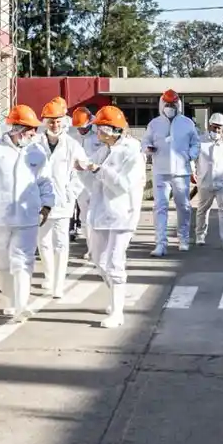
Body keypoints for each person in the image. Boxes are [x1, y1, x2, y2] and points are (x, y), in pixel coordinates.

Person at [0, 104, 54, 321]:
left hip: (27, 217)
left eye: (35, 129)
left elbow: (45, 181)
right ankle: (10, 300)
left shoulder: (37, 151)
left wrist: (46, 205)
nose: (34, 133)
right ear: (16, 128)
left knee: (23, 260)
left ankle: (22, 304)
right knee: (2, 261)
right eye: (29, 129)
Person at [75, 106, 146, 328]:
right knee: (98, 260)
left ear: (112, 129)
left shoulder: (132, 153)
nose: (96, 131)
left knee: (115, 262)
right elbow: (90, 182)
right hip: (100, 213)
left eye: (99, 127)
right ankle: (118, 295)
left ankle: (117, 312)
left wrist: (98, 170)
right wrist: (82, 170)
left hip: (122, 215)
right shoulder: (105, 149)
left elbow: (123, 185)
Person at [30, 97, 84, 299]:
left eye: (58, 121)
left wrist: (70, 194)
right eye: (51, 121)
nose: (54, 124)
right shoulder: (34, 143)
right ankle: (49, 276)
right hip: (40, 203)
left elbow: (81, 172)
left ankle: (59, 284)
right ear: (45, 122)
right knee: (43, 242)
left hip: (63, 203)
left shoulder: (72, 144)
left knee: (61, 244)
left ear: (64, 121)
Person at [141, 89, 201, 256]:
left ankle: (183, 239)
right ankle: (160, 244)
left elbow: (196, 143)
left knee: (184, 207)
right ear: (162, 104)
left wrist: (191, 155)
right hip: (161, 171)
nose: (170, 107)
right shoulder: (154, 124)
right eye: (167, 104)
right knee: (160, 207)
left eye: (173, 104)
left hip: (181, 172)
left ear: (178, 104)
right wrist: (148, 148)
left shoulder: (187, 123)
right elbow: (145, 141)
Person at [192, 112, 223, 252]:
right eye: (214, 127)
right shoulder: (200, 141)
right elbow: (192, 158)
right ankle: (200, 235)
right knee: (202, 210)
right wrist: (192, 172)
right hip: (205, 181)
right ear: (210, 125)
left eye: (219, 128)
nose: (217, 130)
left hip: (222, 183)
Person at [68, 106, 99, 244]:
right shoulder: (71, 137)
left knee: (94, 213)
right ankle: (90, 244)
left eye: (84, 127)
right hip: (77, 180)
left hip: (94, 180)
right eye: (79, 127)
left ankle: (95, 244)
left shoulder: (98, 135)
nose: (81, 130)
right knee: (84, 214)